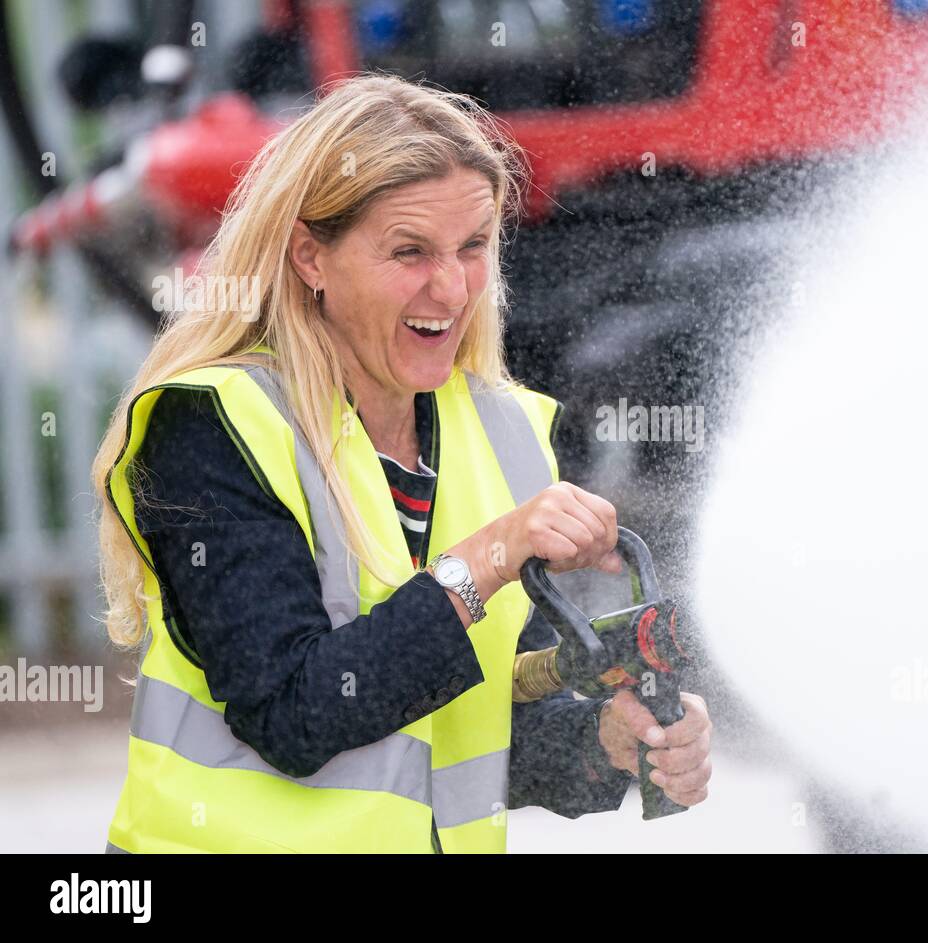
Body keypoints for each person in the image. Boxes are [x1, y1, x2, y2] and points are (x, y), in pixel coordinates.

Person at [91, 73, 711, 853]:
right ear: (310, 256)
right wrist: (486, 559)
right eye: (409, 251)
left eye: (474, 246)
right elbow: (297, 712)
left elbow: (460, 722)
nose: (451, 288)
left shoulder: (505, 432)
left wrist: (604, 744)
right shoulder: (214, 424)